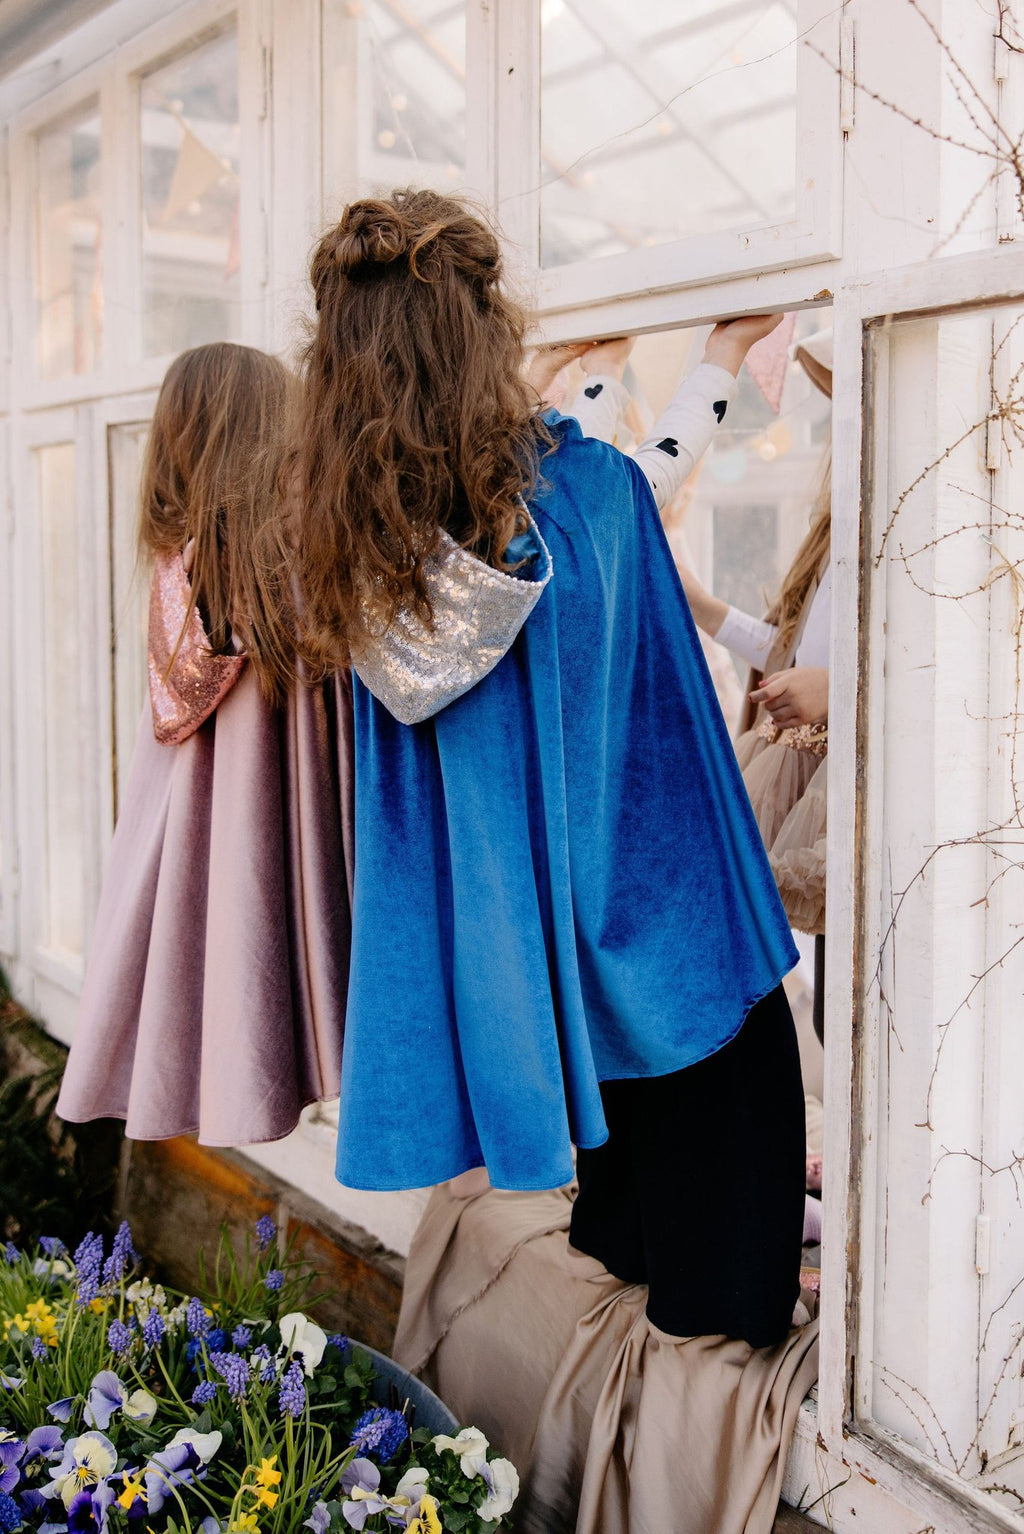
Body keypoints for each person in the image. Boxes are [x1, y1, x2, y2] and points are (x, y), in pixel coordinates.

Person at [294, 188, 805, 1348]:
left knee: (621, 1230)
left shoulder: (358, 544)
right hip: (670, 939)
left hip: (528, 960)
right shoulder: (591, 497)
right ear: (485, 337)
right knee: (729, 1270)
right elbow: (648, 690)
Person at [57, 343, 353, 1147]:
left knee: (212, 954)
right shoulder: (297, 561)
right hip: (281, 843)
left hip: (181, 840)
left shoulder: (177, 563)